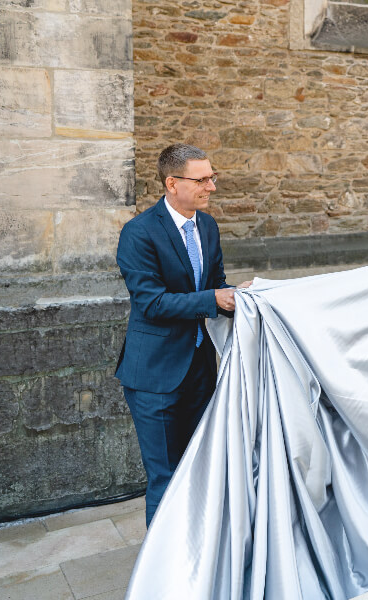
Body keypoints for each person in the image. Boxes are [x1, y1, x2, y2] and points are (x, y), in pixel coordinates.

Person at [115, 143, 248, 527]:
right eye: (202, 179)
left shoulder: (207, 226)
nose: (212, 186)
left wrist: (241, 294)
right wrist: (215, 298)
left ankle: (199, 557)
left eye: (213, 177)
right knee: (166, 479)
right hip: (155, 377)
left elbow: (214, 285)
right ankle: (161, 575)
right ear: (172, 183)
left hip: (200, 371)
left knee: (202, 471)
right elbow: (152, 303)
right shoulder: (138, 233)